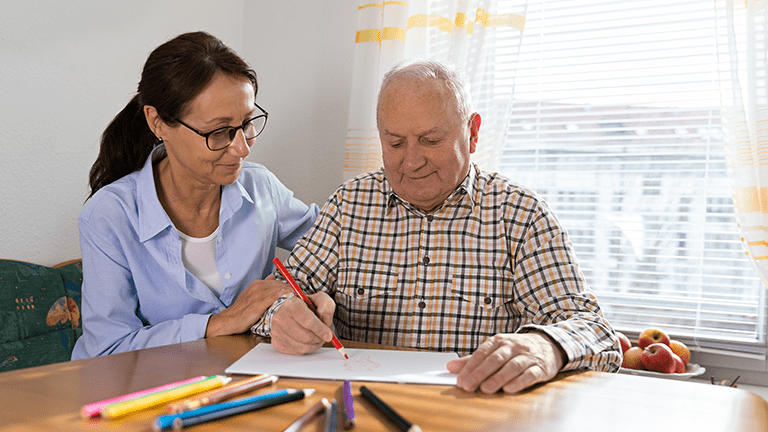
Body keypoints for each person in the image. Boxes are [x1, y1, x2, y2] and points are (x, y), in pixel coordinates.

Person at [252, 59, 620, 394]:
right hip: (362, 407)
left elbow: (597, 332)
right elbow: (278, 294)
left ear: (473, 133)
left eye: (431, 140)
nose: (411, 161)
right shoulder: (348, 206)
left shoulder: (520, 215)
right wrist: (282, 315)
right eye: (394, 142)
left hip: (472, 413)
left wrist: (546, 345)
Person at [72, 32, 319, 359]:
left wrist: (318, 296)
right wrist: (222, 321)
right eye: (218, 132)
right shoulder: (109, 216)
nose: (242, 148)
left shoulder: (261, 188)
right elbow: (110, 348)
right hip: (135, 394)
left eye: (246, 124)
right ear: (157, 122)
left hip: (234, 383)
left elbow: (334, 245)